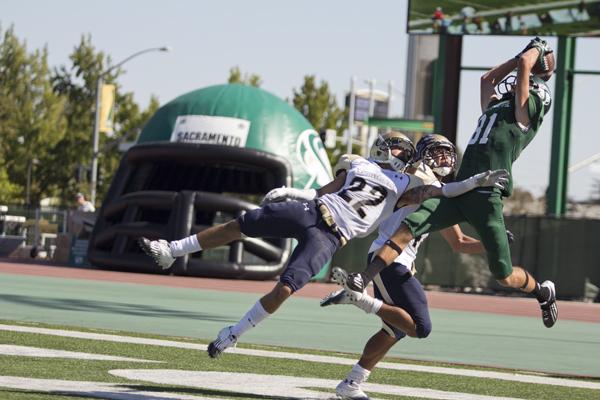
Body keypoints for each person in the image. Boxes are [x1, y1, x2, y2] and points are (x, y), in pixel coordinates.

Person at [138, 132, 508, 358]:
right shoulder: (359, 164)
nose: (397, 153)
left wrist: (475, 182)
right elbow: (322, 192)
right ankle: (171, 250)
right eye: (395, 148)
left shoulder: (405, 188)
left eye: (401, 150)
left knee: (287, 286)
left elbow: (443, 190)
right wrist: (291, 192)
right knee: (242, 224)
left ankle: (234, 333)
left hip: (330, 236)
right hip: (310, 210)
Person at [337, 37, 558, 330]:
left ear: (533, 98)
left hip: (487, 195)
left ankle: (542, 292)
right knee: (411, 224)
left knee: (504, 275)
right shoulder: (496, 110)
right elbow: (487, 78)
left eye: (523, 84)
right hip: (462, 190)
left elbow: (524, 66)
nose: (514, 84)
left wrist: (536, 51)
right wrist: (520, 54)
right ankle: (362, 278)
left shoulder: (522, 117)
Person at [321, 134, 497, 400]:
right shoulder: (415, 178)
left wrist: (492, 243)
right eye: (437, 152)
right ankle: (359, 299)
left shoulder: (437, 190)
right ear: (421, 156)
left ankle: (351, 384)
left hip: (398, 261)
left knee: (394, 330)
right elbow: (405, 176)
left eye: (448, 152)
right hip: (389, 259)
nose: (444, 158)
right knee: (420, 326)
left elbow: (459, 242)